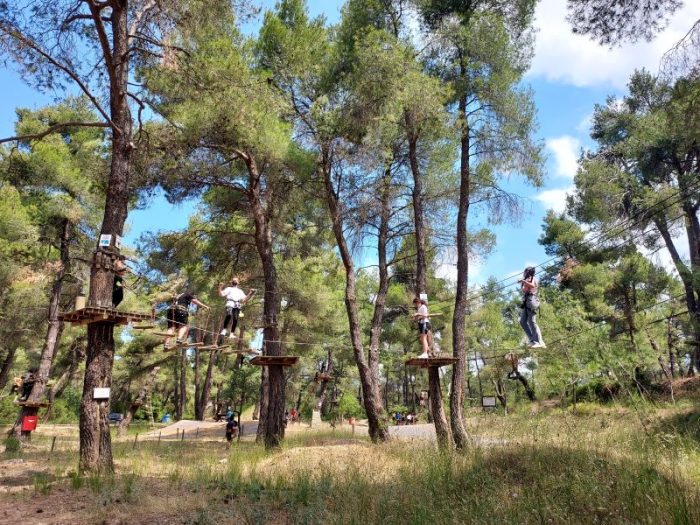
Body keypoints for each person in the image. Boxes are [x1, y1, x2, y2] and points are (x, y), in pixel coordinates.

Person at [518, 266, 546, 348]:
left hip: (531, 300)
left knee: (532, 321)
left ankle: (539, 342)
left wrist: (523, 281)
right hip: (526, 302)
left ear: (528, 272)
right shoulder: (527, 280)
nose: (524, 273)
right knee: (522, 321)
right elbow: (524, 290)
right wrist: (523, 283)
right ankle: (532, 340)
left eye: (525, 272)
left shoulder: (532, 278)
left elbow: (532, 285)